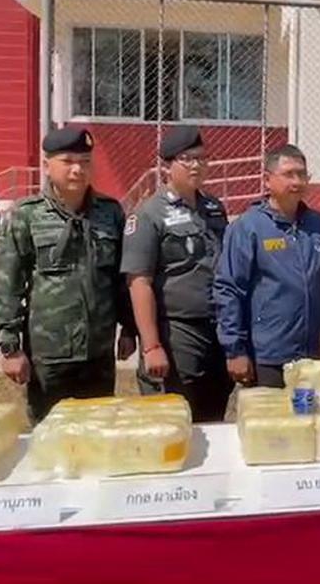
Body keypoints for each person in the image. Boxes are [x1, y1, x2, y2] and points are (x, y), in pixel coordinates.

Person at [0, 128, 137, 421]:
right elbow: (8, 283)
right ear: (47, 166)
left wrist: (130, 329)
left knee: (98, 429)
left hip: (98, 351)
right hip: (49, 352)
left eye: (85, 161)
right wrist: (10, 347)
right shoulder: (26, 215)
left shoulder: (110, 213)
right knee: (49, 431)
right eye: (68, 161)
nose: (77, 169)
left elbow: (120, 281)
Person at [122, 126, 231, 422]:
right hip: (176, 331)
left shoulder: (214, 208)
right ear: (166, 166)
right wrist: (151, 345)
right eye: (187, 159)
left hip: (216, 328)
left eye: (202, 158)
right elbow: (139, 282)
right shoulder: (148, 214)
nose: (196, 165)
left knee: (213, 417)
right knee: (173, 418)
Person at [215, 145, 320, 388]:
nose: (297, 181)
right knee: (270, 413)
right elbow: (229, 289)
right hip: (267, 357)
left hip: (311, 355)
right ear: (267, 180)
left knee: (308, 411)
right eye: (288, 174)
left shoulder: (317, 224)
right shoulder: (248, 227)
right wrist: (235, 350)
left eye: (302, 174)